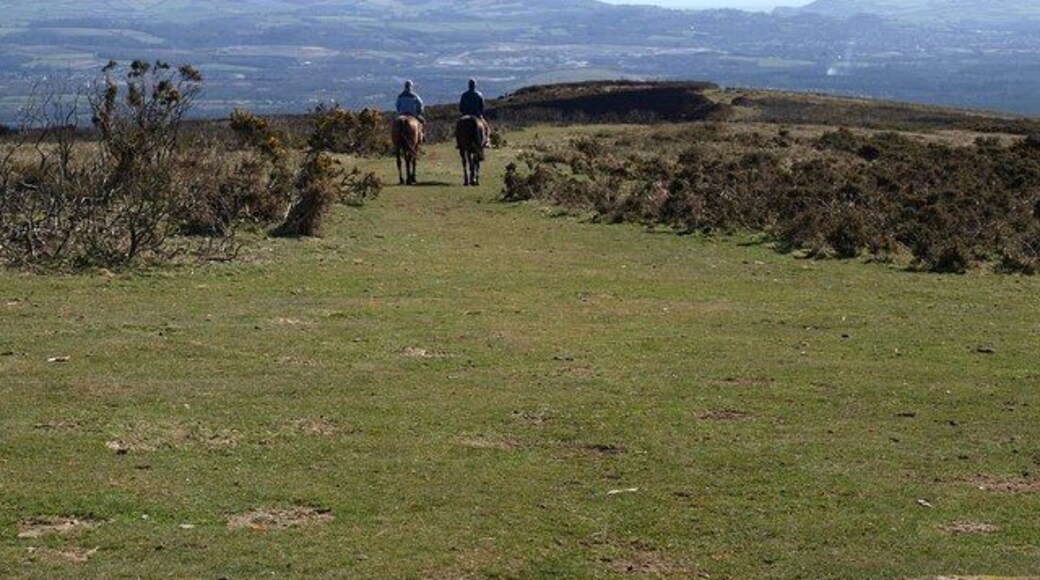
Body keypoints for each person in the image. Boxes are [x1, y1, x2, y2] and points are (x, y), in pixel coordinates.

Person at [459, 78, 489, 147]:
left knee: (459, 126)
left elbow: (461, 107)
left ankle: (459, 142)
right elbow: (482, 106)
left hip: (466, 114)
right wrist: (481, 114)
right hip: (477, 115)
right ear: (475, 86)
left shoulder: (464, 95)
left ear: (468, 86)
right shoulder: (479, 95)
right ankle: (486, 140)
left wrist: (463, 113)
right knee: (486, 127)